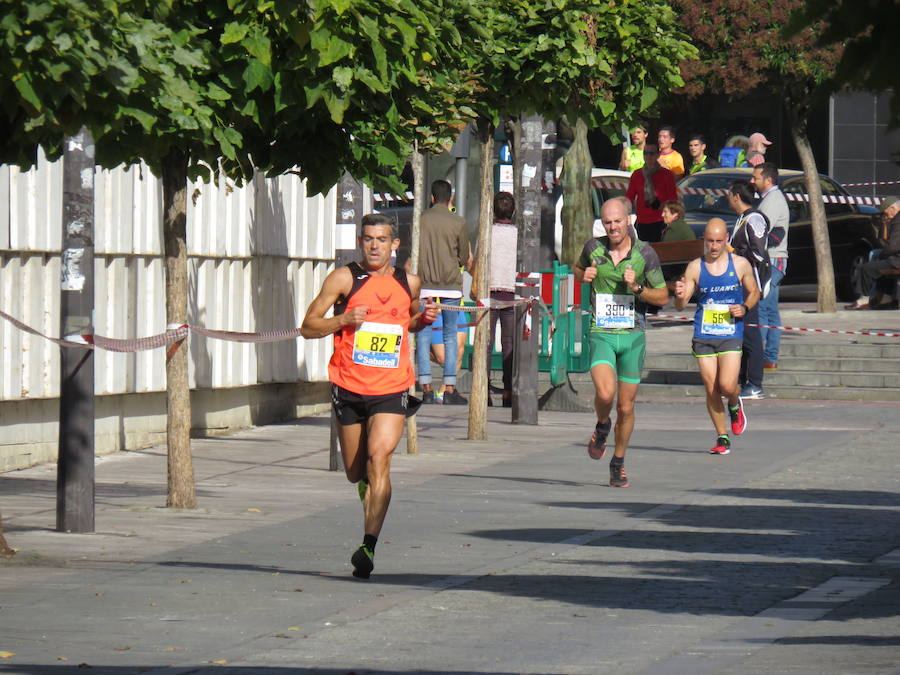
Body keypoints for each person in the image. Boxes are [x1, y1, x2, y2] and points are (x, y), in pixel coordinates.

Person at [300, 213, 438, 579]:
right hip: (349, 386)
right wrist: (343, 321)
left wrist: (422, 321)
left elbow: (403, 321)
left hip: (391, 388)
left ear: (395, 244)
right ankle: (367, 487)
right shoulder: (344, 279)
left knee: (381, 458)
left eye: (382, 239)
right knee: (355, 471)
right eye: (368, 239)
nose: (375, 246)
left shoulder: (409, 282)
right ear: (361, 242)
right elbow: (308, 326)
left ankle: (368, 545)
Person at [573, 199, 668, 488]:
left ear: (628, 220)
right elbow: (576, 269)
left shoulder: (644, 254)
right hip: (601, 330)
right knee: (605, 392)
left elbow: (662, 297)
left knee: (626, 407)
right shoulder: (594, 248)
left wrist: (637, 288)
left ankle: (618, 462)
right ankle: (603, 425)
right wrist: (584, 275)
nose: (612, 227)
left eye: (617, 221)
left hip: (632, 336)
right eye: (607, 222)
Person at [674, 219, 760, 455]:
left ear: (727, 238)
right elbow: (681, 305)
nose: (714, 246)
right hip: (704, 334)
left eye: (719, 241)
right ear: (704, 239)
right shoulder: (695, 267)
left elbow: (754, 292)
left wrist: (744, 306)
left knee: (726, 385)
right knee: (711, 388)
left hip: (731, 333)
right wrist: (680, 296)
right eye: (710, 241)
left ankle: (734, 403)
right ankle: (722, 437)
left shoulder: (740, 264)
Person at [417, 179, 472, 405]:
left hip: (424, 284)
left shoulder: (420, 220)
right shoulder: (458, 222)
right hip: (450, 286)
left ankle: (426, 388)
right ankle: (449, 388)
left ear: (431, 197)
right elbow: (463, 256)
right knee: (450, 335)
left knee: (423, 334)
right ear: (450, 199)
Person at [727, 180, 771, 400]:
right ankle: (743, 379)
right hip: (738, 283)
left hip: (749, 284)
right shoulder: (741, 219)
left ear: (736, 196)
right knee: (742, 333)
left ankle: (755, 383)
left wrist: (733, 251)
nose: (728, 199)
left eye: (729, 194)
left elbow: (759, 254)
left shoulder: (754, 218)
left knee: (751, 333)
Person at [752, 163, 790, 371]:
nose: (752, 181)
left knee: (764, 308)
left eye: (756, 177)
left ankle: (760, 354)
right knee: (771, 310)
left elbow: (761, 233)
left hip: (772, 261)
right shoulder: (770, 199)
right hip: (775, 261)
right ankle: (769, 356)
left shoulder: (772, 201)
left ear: (768, 180)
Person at [484, 191, 517, 406]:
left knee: (485, 344)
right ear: (513, 212)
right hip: (512, 294)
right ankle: (508, 391)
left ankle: (483, 390)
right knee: (509, 344)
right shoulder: (518, 234)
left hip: (489, 292)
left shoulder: (487, 233)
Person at [846, 196, 900, 309]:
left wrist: (882, 255)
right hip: (895, 257)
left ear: (893, 209)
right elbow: (884, 241)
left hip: (897, 259)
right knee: (879, 265)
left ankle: (864, 299)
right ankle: (885, 298)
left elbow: (893, 246)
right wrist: (885, 225)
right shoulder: (894, 220)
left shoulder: (898, 221)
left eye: (886, 213)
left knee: (866, 268)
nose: (886, 216)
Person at [625, 144, 678, 243]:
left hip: (661, 221)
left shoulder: (667, 175)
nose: (648, 156)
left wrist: (662, 207)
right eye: (645, 153)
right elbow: (629, 197)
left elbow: (673, 199)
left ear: (658, 155)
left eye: (652, 153)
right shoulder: (636, 175)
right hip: (642, 222)